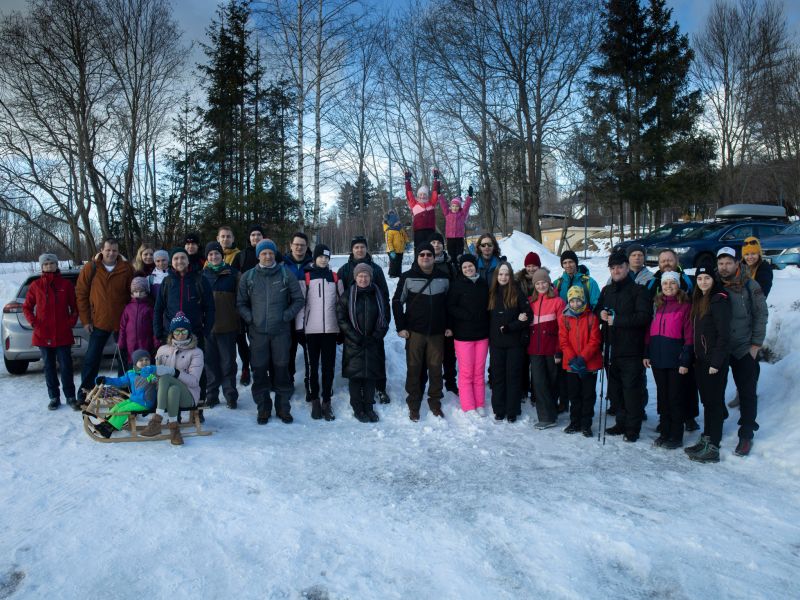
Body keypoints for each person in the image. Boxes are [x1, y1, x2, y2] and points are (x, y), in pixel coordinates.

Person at [237, 239, 304, 424]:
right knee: (259, 371)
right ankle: (263, 408)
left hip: (281, 332)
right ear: (258, 255)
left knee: (282, 370)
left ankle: (283, 408)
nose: (267, 256)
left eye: (270, 253)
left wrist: (285, 316)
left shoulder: (285, 274)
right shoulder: (248, 277)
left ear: (275, 254)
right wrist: (251, 319)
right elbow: (241, 304)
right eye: (264, 253)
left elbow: (298, 299)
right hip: (257, 333)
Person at [716, 246, 768, 457]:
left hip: (744, 347)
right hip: (720, 347)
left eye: (728, 262)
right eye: (720, 263)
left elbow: (761, 314)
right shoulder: (714, 284)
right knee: (714, 390)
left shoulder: (750, 285)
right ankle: (716, 424)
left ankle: (746, 433)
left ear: (738, 263)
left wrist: (755, 344)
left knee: (747, 392)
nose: (724, 267)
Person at [392, 242, 451, 421]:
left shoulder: (444, 277)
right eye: (422, 254)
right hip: (415, 332)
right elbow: (396, 302)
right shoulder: (407, 277)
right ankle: (414, 401)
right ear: (417, 257)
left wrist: (449, 325)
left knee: (435, 369)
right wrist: (401, 327)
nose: (425, 257)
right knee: (414, 368)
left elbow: (449, 305)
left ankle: (435, 401)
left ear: (434, 257)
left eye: (429, 255)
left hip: (437, 333)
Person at [596, 252, 651, 442]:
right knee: (615, 391)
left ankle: (632, 428)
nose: (616, 271)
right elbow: (597, 309)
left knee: (631, 391)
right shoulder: (607, 290)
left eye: (619, 267)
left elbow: (644, 317)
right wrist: (601, 313)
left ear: (627, 267)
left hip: (631, 351)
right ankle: (620, 423)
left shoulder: (639, 291)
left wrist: (618, 320)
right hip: (611, 349)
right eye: (612, 268)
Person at [75, 237, 135, 405]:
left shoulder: (126, 268)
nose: (111, 253)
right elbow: (81, 294)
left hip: (121, 323)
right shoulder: (91, 268)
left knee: (124, 359)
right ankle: (85, 392)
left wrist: (130, 319)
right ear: (102, 250)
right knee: (91, 358)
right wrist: (86, 320)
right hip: (98, 322)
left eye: (114, 250)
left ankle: (124, 392)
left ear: (118, 252)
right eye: (108, 250)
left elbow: (133, 294)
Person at [154, 246, 214, 406]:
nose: (179, 261)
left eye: (182, 258)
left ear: (188, 260)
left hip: (194, 334)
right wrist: (158, 331)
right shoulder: (167, 282)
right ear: (171, 262)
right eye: (176, 258)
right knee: (171, 369)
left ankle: (198, 404)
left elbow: (210, 307)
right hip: (170, 335)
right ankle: (174, 405)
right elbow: (158, 308)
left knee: (196, 371)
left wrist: (206, 329)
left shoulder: (199, 279)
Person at [646, 248, 697, 430]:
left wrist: (686, 354)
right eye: (662, 261)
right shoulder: (653, 283)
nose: (666, 263)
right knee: (665, 391)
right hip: (661, 350)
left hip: (680, 347)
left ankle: (688, 417)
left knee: (685, 387)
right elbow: (650, 317)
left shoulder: (688, 281)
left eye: (669, 259)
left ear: (676, 260)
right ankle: (666, 421)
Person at [685, 263, 731, 463]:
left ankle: (713, 445)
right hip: (701, 360)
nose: (703, 282)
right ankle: (707, 437)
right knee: (707, 401)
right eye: (700, 279)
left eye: (707, 278)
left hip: (714, 361)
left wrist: (717, 361)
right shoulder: (700, 299)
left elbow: (724, 335)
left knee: (713, 402)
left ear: (714, 280)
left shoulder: (718, 301)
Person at [338, 235, 392, 404]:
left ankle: (380, 388)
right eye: (356, 247)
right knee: (355, 358)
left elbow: (384, 294)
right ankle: (357, 388)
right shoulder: (344, 270)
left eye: (362, 247)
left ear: (366, 249)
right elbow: (340, 296)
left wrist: (382, 323)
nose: (359, 250)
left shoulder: (375, 269)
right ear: (352, 250)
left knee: (377, 356)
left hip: (374, 320)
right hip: (354, 323)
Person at [23, 253, 79, 410]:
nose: (49, 266)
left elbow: (75, 307)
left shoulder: (65, 285)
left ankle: (70, 396)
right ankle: (54, 397)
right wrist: (35, 323)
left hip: (62, 333)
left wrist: (70, 322)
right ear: (42, 267)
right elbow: (26, 307)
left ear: (56, 265)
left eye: (51, 263)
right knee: (49, 366)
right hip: (43, 334)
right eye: (46, 264)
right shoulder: (36, 286)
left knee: (66, 365)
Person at [91, 348, 182, 442]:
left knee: (123, 410)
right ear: (135, 362)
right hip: (134, 399)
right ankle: (107, 423)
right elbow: (119, 381)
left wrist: (154, 380)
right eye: (141, 360)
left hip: (146, 402)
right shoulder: (130, 373)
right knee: (118, 406)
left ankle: (108, 429)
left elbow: (156, 381)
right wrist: (105, 379)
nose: (144, 362)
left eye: (147, 359)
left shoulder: (151, 372)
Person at [336, 263, 389, 423]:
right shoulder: (347, 295)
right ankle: (358, 408)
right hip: (354, 344)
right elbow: (341, 318)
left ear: (370, 277)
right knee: (356, 377)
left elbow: (385, 318)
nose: (363, 278)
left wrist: (375, 337)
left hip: (373, 343)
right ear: (355, 277)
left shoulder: (378, 294)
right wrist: (355, 337)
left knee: (370, 377)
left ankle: (369, 407)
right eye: (360, 276)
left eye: (366, 276)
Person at [297, 244, 344, 421]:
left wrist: (341, 329)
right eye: (321, 257)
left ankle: (326, 400)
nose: (324, 260)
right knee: (312, 367)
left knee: (328, 367)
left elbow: (341, 305)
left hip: (331, 330)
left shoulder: (334, 277)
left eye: (327, 257)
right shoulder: (307, 277)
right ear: (314, 258)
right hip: (311, 331)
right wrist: (300, 328)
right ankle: (315, 399)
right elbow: (301, 304)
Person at [149, 314, 206, 445]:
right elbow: (157, 378)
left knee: (167, 376)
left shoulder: (196, 352)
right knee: (172, 388)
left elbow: (194, 382)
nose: (180, 334)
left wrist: (174, 372)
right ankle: (174, 430)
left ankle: (157, 420)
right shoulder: (162, 350)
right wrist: (150, 376)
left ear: (189, 332)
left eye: (184, 331)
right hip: (166, 394)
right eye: (177, 331)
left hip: (188, 395)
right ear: (172, 333)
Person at [488, 262, 532, 423]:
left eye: (506, 274)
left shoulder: (517, 293)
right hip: (496, 344)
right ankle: (499, 409)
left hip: (514, 344)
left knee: (513, 377)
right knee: (497, 377)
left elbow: (528, 316)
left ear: (511, 275)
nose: (503, 277)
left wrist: (511, 326)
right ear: (496, 276)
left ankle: (512, 410)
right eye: (500, 274)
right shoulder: (491, 293)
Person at [447, 254, 490, 416]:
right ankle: (468, 405)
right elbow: (450, 307)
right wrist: (466, 315)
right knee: (466, 372)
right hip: (463, 336)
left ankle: (479, 403)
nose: (468, 269)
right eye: (464, 267)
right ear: (461, 269)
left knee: (479, 372)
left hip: (482, 335)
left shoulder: (483, 284)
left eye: (470, 266)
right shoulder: (456, 285)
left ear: (475, 266)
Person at [558, 286, 602, 436]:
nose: (575, 304)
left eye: (578, 300)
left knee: (588, 395)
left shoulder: (591, 317)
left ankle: (586, 424)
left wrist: (582, 358)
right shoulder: (564, 318)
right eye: (572, 301)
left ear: (583, 300)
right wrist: (573, 359)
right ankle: (575, 422)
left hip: (589, 364)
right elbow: (563, 341)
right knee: (574, 395)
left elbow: (595, 340)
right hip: (572, 365)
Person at [202, 241, 240, 409]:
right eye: (210, 254)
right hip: (208, 328)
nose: (214, 257)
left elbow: (241, 300)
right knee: (210, 363)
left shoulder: (233, 274)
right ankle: (211, 395)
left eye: (216, 254)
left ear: (222, 255)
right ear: (207, 257)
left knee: (228, 363)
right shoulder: (201, 275)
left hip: (228, 326)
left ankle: (230, 395)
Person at [528, 269, 565, 428]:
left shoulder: (558, 302)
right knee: (538, 382)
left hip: (551, 349)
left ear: (549, 283)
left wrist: (559, 349)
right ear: (534, 285)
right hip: (535, 350)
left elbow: (563, 328)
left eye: (543, 282)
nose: (541, 285)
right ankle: (546, 417)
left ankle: (552, 413)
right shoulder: (531, 302)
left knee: (552, 381)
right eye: (537, 283)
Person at [233, 225, 265, 386]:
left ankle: (259, 367)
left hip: (262, 305)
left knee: (257, 339)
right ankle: (245, 366)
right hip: (243, 304)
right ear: (249, 238)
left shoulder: (269, 253)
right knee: (241, 338)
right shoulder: (241, 255)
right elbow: (232, 277)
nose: (256, 237)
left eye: (259, 234)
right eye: (253, 235)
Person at [283, 231, 313, 398]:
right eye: (296, 244)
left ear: (306, 247)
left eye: (302, 245)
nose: (299, 247)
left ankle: (309, 383)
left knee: (309, 351)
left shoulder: (313, 264)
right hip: (288, 315)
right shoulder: (283, 265)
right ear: (291, 246)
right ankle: (289, 382)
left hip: (308, 316)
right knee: (288, 351)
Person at [429, 231, 458, 393]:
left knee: (449, 351)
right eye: (433, 243)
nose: (436, 245)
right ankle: (434, 382)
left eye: (438, 243)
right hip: (431, 313)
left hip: (447, 312)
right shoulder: (423, 261)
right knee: (432, 351)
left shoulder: (449, 264)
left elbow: (455, 287)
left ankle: (450, 381)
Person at [117, 277, 157, 368]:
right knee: (132, 364)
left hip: (146, 342)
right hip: (131, 343)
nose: (138, 294)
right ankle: (133, 381)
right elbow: (123, 327)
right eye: (135, 291)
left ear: (146, 292)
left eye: (141, 291)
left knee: (145, 363)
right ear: (132, 293)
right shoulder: (128, 308)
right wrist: (121, 342)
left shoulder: (149, 308)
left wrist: (156, 342)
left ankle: (147, 381)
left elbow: (155, 326)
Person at [405, 168, 439, 247]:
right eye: (420, 194)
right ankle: (417, 259)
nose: (422, 196)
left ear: (427, 196)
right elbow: (409, 193)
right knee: (419, 248)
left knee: (430, 248)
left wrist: (436, 179)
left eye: (424, 194)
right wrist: (407, 180)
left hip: (430, 230)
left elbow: (435, 192)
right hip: (418, 231)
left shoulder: (431, 204)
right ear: (418, 196)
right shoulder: (414, 204)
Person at [439, 185, 473, 259]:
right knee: (451, 254)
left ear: (459, 207)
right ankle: (451, 264)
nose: (454, 208)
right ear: (450, 206)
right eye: (453, 206)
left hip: (459, 238)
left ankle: (459, 262)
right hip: (450, 238)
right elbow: (443, 204)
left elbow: (467, 206)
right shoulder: (447, 213)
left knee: (459, 255)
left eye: (457, 206)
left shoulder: (462, 214)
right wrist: (439, 195)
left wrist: (469, 197)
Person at [384, 210, 408, 278]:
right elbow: (388, 242)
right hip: (392, 251)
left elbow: (405, 236)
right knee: (393, 262)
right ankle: (392, 274)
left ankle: (398, 273)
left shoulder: (400, 229)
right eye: (397, 221)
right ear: (392, 222)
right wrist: (391, 250)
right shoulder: (389, 231)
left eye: (398, 221)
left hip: (400, 250)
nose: (399, 222)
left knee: (399, 261)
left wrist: (407, 242)